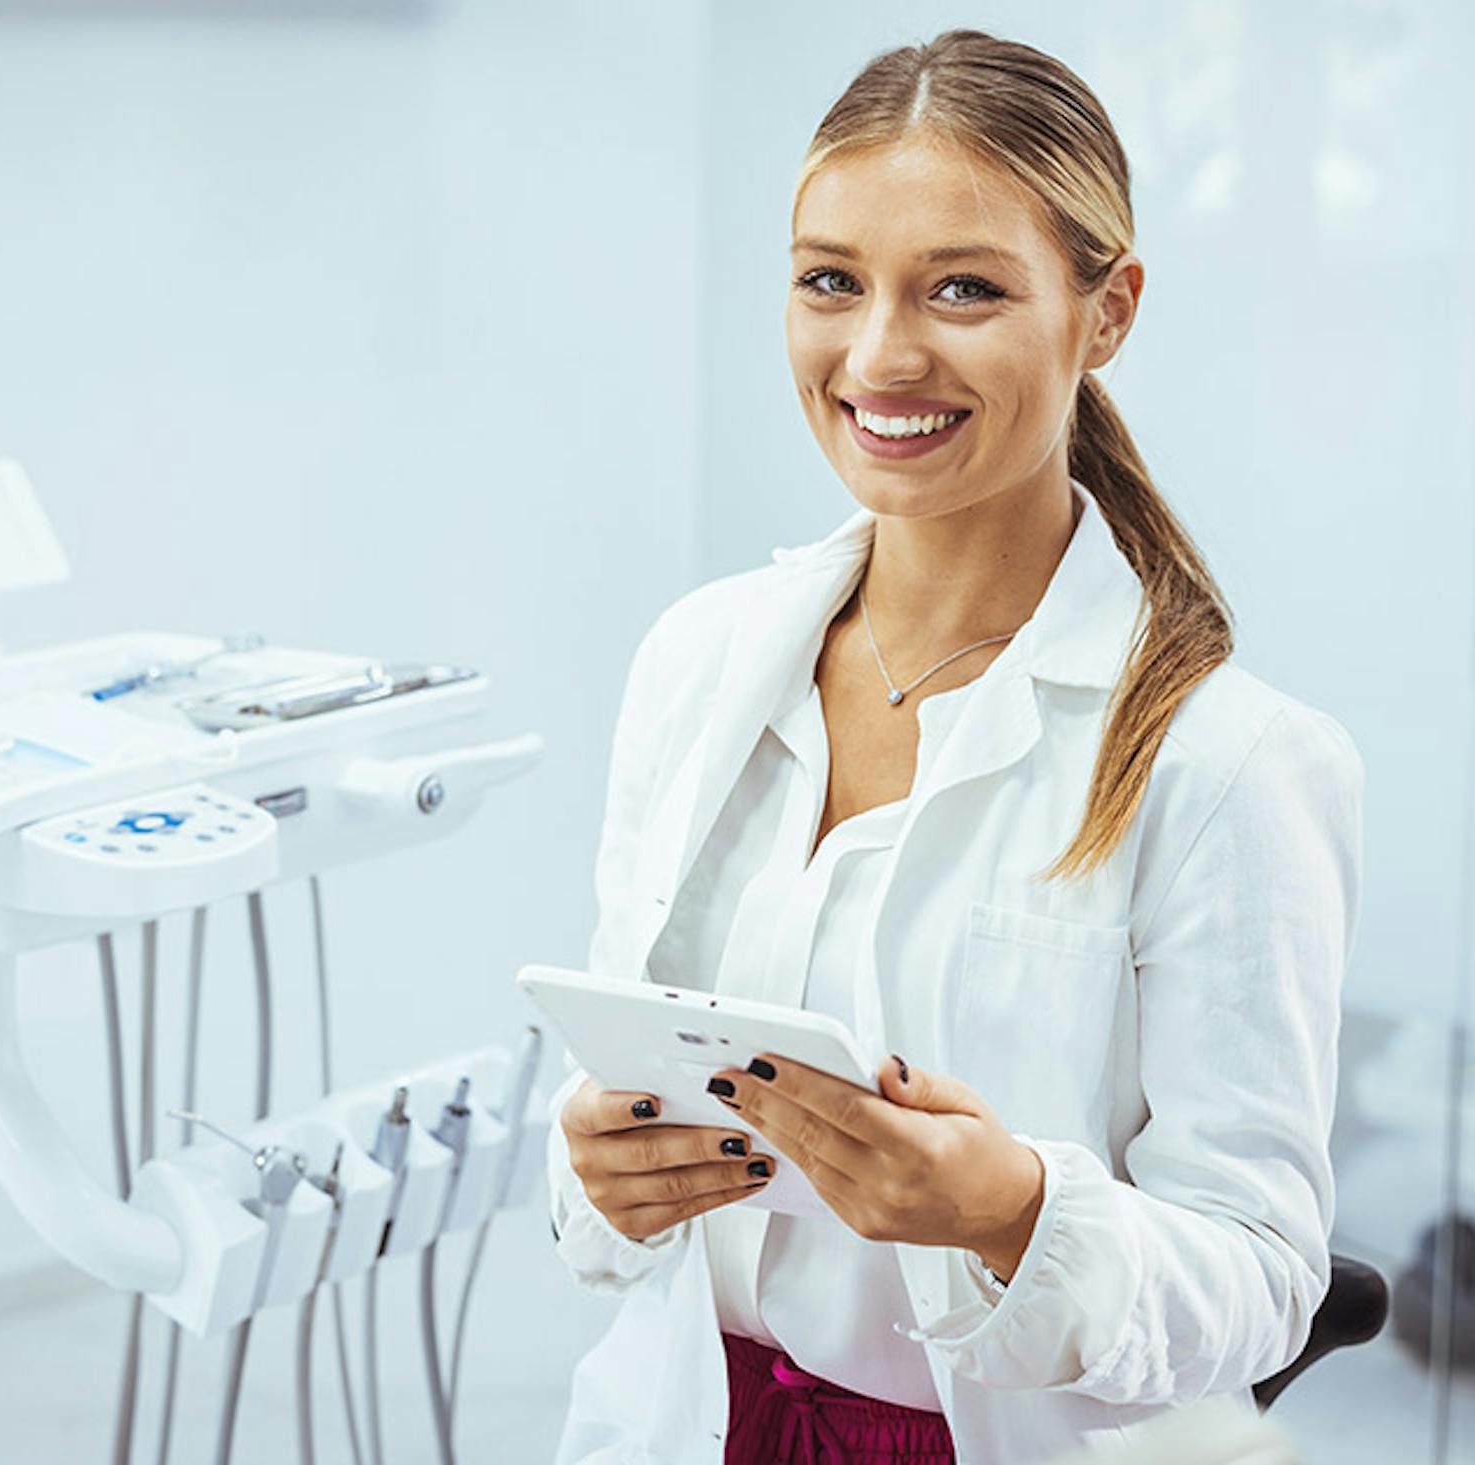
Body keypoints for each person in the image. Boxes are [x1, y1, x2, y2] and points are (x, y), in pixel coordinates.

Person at [544, 29, 1364, 1465]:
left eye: (965, 288)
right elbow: (606, 1091)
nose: (878, 356)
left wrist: (1011, 1211)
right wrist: (598, 1169)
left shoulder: (1228, 764)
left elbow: (1263, 1275)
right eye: (829, 281)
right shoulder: (699, 662)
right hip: (680, 1420)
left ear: (1106, 312)